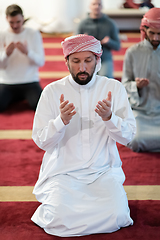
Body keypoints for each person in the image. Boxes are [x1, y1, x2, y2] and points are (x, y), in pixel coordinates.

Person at [31, 34, 136, 237]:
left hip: (102, 171)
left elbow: (128, 136)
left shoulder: (113, 88)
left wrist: (109, 118)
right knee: (57, 220)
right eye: (76, 61)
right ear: (66, 62)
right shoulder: (52, 91)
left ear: (98, 61)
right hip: (63, 174)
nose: (82, 68)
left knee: (119, 215)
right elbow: (42, 141)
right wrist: (61, 121)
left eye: (88, 60)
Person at [122, 8, 160, 152]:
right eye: (152, 33)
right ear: (144, 30)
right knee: (136, 140)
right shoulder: (132, 52)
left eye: (159, 34)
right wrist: (136, 86)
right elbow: (124, 85)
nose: (156, 38)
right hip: (140, 112)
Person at [0, 4, 45, 112]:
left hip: (29, 80)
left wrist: (27, 52)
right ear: (6, 19)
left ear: (23, 19)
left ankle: (18, 97)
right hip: (7, 82)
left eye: (18, 22)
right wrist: (6, 54)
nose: (15, 26)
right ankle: (14, 97)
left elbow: (41, 62)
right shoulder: (2, 35)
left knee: (40, 107)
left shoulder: (33, 33)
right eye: (11, 22)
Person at [76, 0, 121, 78]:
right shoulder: (82, 24)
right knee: (86, 79)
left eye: (99, 4)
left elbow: (117, 46)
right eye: (94, 4)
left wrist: (109, 42)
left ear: (102, 6)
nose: (96, 6)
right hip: (87, 58)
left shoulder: (110, 23)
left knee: (106, 79)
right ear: (89, 6)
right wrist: (83, 41)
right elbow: (75, 45)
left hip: (105, 58)